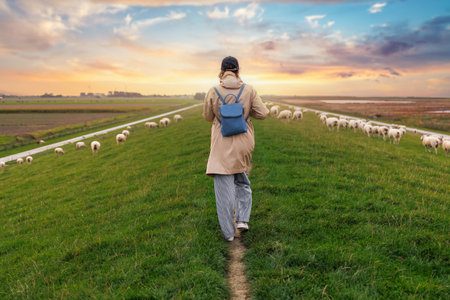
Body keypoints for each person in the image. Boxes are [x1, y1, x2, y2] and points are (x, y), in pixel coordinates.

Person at [202, 56, 269, 241]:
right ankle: (242, 220)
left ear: (222, 71)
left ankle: (228, 234)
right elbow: (263, 114)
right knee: (242, 180)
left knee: (223, 189)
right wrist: (246, 112)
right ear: (238, 71)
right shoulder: (249, 90)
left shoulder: (213, 91)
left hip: (222, 143)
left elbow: (208, 117)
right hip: (243, 141)